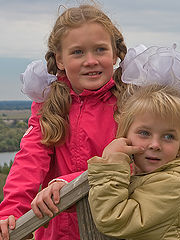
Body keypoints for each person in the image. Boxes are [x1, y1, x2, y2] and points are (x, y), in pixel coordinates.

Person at [0, 3, 127, 240]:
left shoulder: (130, 104)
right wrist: (11, 211)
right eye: (78, 52)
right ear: (60, 59)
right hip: (58, 231)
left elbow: (138, 162)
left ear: (115, 54)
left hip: (117, 228)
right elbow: (29, 160)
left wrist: (68, 183)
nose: (91, 61)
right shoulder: (49, 106)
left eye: (100, 50)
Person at [87, 46, 180, 239]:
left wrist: (112, 164)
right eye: (144, 133)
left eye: (168, 136)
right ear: (126, 135)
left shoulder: (173, 184)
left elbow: (112, 220)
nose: (155, 144)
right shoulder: (155, 176)